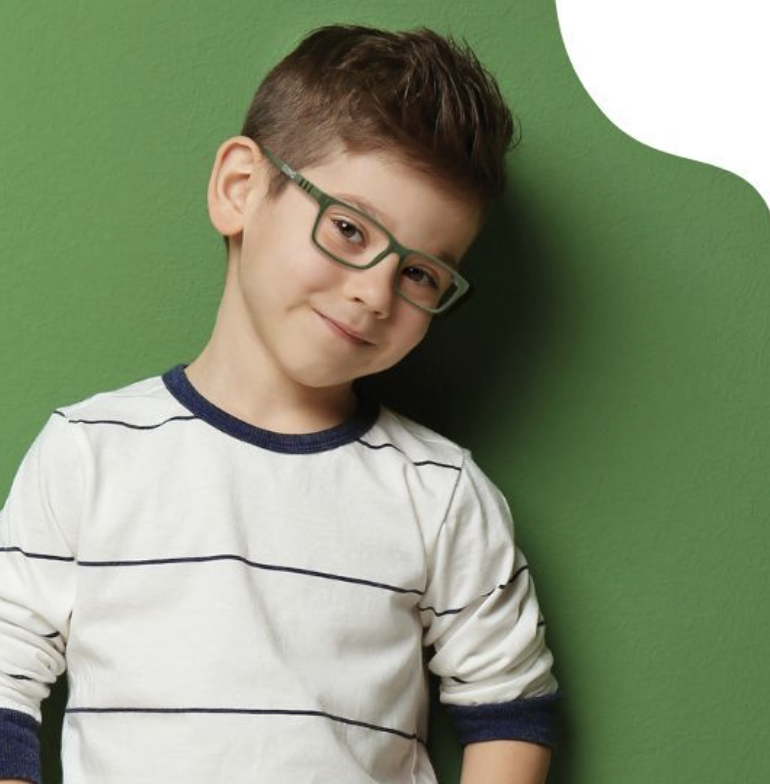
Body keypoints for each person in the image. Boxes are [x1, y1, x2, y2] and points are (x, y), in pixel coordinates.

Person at [0, 23, 560, 784]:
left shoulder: (440, 492)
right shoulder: (90, 451)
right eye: (349, 228)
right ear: (240, 189)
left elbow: (511, 706)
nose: (373, 291)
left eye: (421, 275)